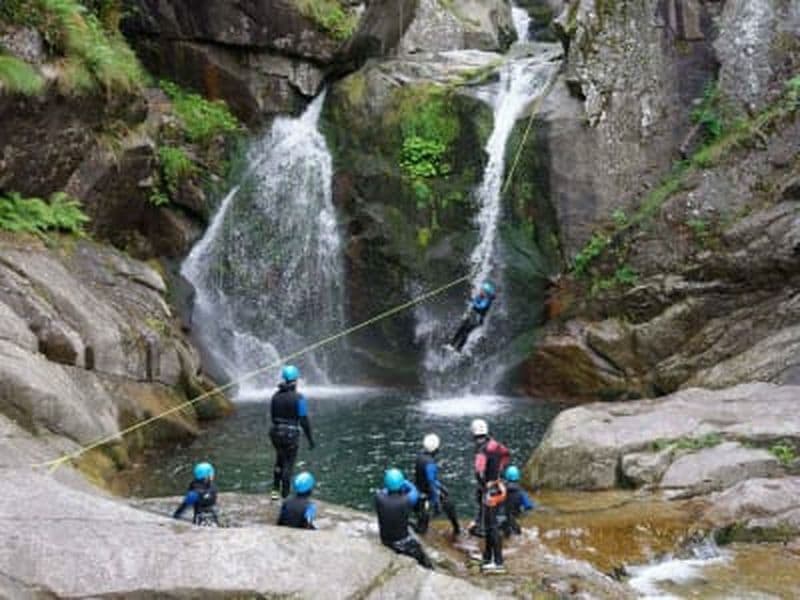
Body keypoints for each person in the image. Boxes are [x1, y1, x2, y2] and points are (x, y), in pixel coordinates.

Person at [470, 418, 510, 574]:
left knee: (492, 527)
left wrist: (483, 485)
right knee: (489, 525)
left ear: (474, 434)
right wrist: (498, 473)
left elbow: (479, 472)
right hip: (497, 487)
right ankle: (487, 557)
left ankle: (498, 562)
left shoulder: (481, 451)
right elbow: (506, 455)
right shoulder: (495, 444)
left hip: (489, 492)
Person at [269, 365, 315, 500]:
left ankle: (275, 491)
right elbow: (303, 420)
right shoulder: (299, 398)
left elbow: (272, 417)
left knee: (279, 460)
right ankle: (285, 494)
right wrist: (310, 439)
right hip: (291, 434)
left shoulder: (275, 396)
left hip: (275, 433)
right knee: (288, 464)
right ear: (296, 380)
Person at [375, 468, 433, 569]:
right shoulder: (407, 500)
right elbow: (414, 490)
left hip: (385, 539)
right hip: (401, 542)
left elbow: (384, 490)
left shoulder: (378, 497)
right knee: (422, 557)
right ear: (401, 485)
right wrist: (405, 482)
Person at [413, 433, 460, 538]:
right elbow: (430, 482)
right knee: (448, 503)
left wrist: (440, 486)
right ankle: (456, 528)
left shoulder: (419, 457)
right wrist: (436, 501)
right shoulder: (430, 463)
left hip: (419, 489)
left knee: (422, 517)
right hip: (426, 492)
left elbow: (427, 478)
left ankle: (419, 526)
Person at [449, 281, 496, 352]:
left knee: (466, 332)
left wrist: (473, 302)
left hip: (477, 319)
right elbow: (474, 302)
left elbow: (480, 307)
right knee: (461, 328)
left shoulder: (487, 301)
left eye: (483, 290)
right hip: (472, 316)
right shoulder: (480, 296)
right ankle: (451, 345)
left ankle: (458, 349)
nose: (481, 290)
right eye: (481, 289)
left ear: (486, 293)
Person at [172, 461, 220, 526]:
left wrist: (177, 515)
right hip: (200, 519)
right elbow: (184, 506)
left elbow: (183, 507)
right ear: (206, 476)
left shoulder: (210, 485)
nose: (213, 474)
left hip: (211, 516)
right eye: (211, 473)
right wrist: (176, 516)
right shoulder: (195, 493)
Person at [498, 466, 536, 537]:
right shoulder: (521, 492)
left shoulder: (501, 489)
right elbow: (529, 506)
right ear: (518, 478)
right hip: (513, 520)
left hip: (500, 519)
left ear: (507, 476)